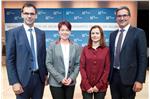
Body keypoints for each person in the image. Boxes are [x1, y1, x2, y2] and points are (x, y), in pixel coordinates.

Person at [6, 3, 48, 99]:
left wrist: (45, 75)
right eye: (26, 13)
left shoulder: (41, 34)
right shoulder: (13, 33)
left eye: (32, 14)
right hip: (21, 80)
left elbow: (43, 55)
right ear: (22, 14)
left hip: (39, 79)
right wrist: (14, 81)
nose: (29, 16)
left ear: (36, 15)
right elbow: (10, 60)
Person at [109, 6, 147, 99]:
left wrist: (139, 80)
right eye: (119, 16)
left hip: (130, 78)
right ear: (116, 18)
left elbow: (142, 58)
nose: (122, 18)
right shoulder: (112, 35)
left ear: (129, 17)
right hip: (113, 77)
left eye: (124, 15)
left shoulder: (138, 33)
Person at [46, 21, 81, 99]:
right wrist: (60, 78)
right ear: (59, 31)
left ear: (70, 32)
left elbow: (78, 64)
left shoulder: (76, 46)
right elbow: (48, 63)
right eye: (62, 30)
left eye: (67, 30)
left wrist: (72, 78)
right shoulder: (52, 45)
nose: (64, 32)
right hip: (55, 83)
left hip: (70, 83)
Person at [80, 25, 110, 99]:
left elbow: (107, 69)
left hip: (101, 87)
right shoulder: (85, 49)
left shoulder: (106, 50)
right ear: (90, 35)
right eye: (92, 33)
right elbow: (81, 67)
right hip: (86, 86)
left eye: (97, 33)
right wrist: (87, 85)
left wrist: (98, 85)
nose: (95, 35)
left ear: (101, 35)